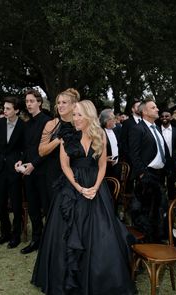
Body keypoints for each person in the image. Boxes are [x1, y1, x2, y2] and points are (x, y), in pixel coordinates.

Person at [32, 100, 135, 295]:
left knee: (102, 234)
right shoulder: (67, 135)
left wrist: (95, 187)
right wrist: (79, 188)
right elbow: (65, 166)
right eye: (74, 115)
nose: (75, 118)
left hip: (97, 187)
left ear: (89, 115)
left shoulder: (100, 134)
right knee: (67, 234)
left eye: (79, 114)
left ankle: (101, 280)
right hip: (71, 188)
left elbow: (103, 165)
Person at [129, 99, 171, 242]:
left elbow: (163, 151)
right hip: (147, 176)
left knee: (160, 209)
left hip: (159, 175)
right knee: (148, 212)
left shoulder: (157, 128)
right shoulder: (138, 128)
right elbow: (134, 154)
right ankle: (148, 243)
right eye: (154, 107)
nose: (157, 109)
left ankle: (160, 238)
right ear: (145, 112)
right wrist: (142, 174)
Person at [15, 89, 51, 255]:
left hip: (43, 172)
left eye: (31, 101)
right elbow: (26, 148)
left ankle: (49, 241)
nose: (28, 104)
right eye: (27, 101)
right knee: (34, 208)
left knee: (47, 207)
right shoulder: (27, 124)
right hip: (28, 172)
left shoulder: (48, 121)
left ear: (39, 102)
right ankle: (36, 239)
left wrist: (34, 165)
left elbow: (47, 150)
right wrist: (21, 160)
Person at [0, 96, 25, 249]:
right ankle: (5, 233)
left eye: (8, 108)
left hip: (14, 170)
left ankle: (16, 236)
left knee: (16, 205)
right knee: (0, 204)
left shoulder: (24, 126)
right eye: (4, 108)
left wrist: (21, 162)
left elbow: (25, 149)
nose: (5, 110)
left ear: (17, 110)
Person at [38, 88, 80, 205]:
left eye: (64, 102)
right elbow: (41, 151)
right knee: (55, 210)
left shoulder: (80, 124)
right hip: (54, 174)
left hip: (76, 173)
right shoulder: (51, 124)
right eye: (58, 102)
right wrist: (58, 140)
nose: (60, 105)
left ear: (73, 105)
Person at [160, 110, 176, 199]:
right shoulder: (157, 130)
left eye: (167, 116)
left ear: (170, 118)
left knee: (172, 187)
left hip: (173, 162)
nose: (164, 118)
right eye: (162, 116)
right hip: (160, 162)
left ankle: (172, 208)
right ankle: (162, 208)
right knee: (160, 186)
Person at [99, 108, 122, 179]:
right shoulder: (99, 132)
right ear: (107, 120)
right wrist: (103, 159)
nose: (115, 120)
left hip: (116, 167)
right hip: (105, 169)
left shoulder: (116, 130)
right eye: (113, 118)